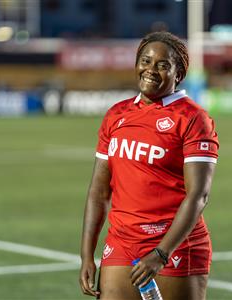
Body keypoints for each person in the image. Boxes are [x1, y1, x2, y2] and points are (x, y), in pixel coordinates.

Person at [79, 31, 219, 300]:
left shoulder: (193, 118)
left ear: (178, 75)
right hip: (122, 243)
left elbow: (198, 195)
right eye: (146, 61)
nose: (151, 70)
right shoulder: (116, 115)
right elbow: (99, 192)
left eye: (163, 65)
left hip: (174, 245)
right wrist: (87, 255)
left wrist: (161, 253)